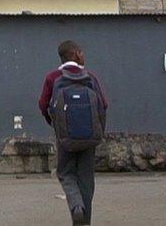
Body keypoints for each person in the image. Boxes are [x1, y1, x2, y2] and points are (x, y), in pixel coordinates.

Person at [38, 40, 109, 226]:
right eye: (82, 53)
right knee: (86, 179)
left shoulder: (52, 77)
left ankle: (76, 206)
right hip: (89, 138)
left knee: (66, 173)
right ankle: (84, 222)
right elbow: (103, 105)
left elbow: (42, 105)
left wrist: (56, 125)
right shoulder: (90, 77)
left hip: (65, 138)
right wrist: (98, 131)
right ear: (76, 54)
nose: (84, 56)